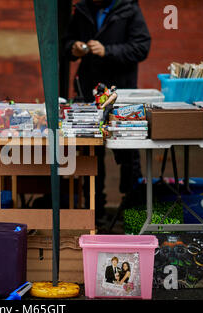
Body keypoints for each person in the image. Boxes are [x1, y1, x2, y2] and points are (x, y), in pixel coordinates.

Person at [63, 0, 151, 223]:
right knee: (92, 153)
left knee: (129, 154)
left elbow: (142, 47)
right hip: (89, 92)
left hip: (122, 93)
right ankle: (95, 212)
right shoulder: (82, 9)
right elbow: (65, 43)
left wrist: (107, 51)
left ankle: (132, 214)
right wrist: (73, 47)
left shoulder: (129, 8)